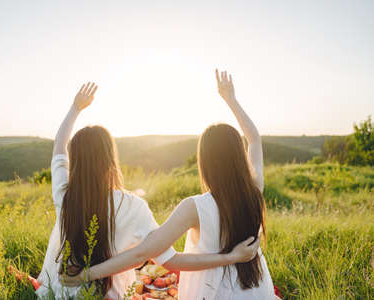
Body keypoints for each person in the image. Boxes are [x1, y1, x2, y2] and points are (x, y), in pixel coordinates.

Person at [36, 82, 261, 299]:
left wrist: (75, 108)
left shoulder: (64, 195)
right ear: (110, 162)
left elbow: (59, 146)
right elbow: (163, 258)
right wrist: (231, 257)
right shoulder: (132, 205)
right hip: (113, 295)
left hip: (62, 290)